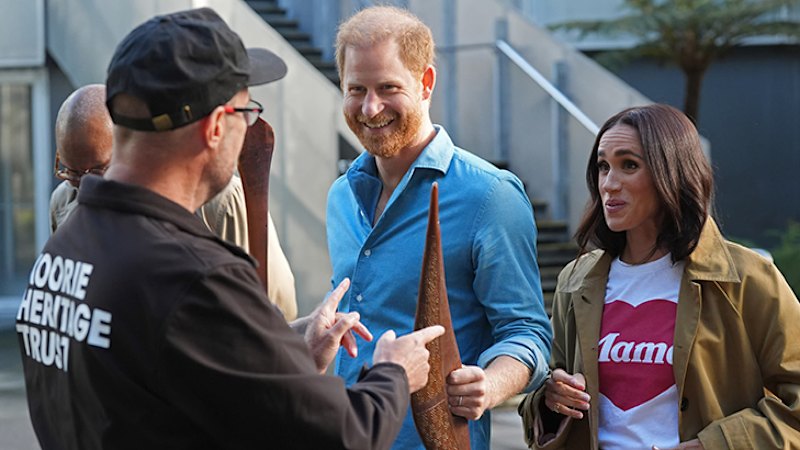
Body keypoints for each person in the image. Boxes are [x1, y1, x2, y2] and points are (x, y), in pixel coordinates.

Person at [17, 8, 445, 449]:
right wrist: (394, 372)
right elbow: (343, 434)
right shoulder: (194, 275)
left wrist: (288, 354)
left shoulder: (64, 247)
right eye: (246, 110)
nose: (249, 127)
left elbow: (160, 383)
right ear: (217, 126)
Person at [327, 6, 552, 448]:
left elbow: (527, 333)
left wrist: (489, 383)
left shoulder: (490, 196)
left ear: (426, 83)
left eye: (388, 87)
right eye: (357, 89)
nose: (370, 108)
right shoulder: (340, 195)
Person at [518, 104, 800, 449]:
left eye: (629, 166)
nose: (609, 184)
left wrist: (710, 446)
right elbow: (548, 397)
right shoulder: (576, 280)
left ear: (672, 173)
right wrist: (550, 399)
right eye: (603, 166)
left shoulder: (747, 280)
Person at [50, 84, 297, 319]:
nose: (85, 186)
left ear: (129, 146)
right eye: (70, 172)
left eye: (97, 170)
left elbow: (278, 307)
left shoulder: (219, 203)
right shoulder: (63, 201)